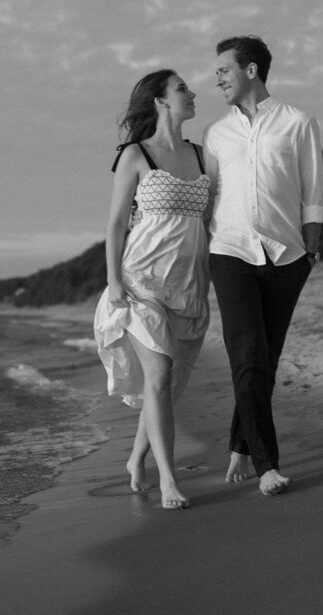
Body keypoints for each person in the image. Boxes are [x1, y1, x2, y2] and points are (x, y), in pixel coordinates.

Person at [203, 35, 323, 496]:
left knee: (265, 363)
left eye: (224, 69)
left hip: (287, 256)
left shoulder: (298, 123)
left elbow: (313, 193)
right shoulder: (216, 134)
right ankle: (266, 465)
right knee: (248, 355)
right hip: (229, 252)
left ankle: (239, 441)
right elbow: (208, 197)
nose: (216, 78)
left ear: (251, 70)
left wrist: (309, 254)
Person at [94, 69, 210, 510]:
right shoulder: (136, 155)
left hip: (189, 287)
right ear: (161, 101)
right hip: (141, 283)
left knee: (168, 387)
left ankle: (136, 458)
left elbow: (211, 219)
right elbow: (115, 224)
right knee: (158, 379)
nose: (192, 93)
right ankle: (168, 480)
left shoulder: (202, 156)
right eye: (182, 89)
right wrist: (114, 281)